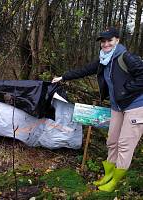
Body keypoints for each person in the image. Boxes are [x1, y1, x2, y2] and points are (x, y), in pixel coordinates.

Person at [52, 27, 143, 192]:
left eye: (110, 40)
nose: (106, 44)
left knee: (124, 144)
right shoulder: (104, 60)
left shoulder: (127, 57)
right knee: (112, 141)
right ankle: (108, 175)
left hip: (136, 106)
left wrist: (126, 89)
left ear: (117, 40)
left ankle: (115, 180)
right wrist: (63, 77)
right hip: (117, 106)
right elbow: (85, 70)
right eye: (103, 41)